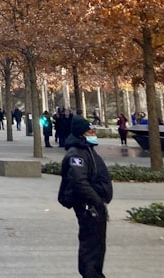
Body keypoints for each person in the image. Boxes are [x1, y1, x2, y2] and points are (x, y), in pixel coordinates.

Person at [58, 116, 113, 278]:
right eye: (90, 131)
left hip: (93, 206)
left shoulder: (86, 150)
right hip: (88, 207)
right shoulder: (77, 154)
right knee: (91, 247)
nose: (93, 133)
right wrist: (96, 201)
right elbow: (79, 181)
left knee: (97, 246)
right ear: (81, 134)